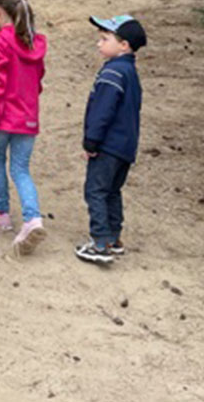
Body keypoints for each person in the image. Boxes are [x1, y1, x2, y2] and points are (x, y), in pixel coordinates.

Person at [0, 0, 48, 256]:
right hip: (27, 117)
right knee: (21, 169)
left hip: (3, 118)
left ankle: (2, 212)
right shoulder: (35, 42)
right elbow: (37, 79)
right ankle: (33, 217)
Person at [76, 15, 147, 264]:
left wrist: (91, 142)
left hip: (108, 145)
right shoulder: (129, 71)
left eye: (105, 39)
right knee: (112, 190)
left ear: (124, 45)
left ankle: (100, 242)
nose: (99, 44)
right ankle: (114, 237)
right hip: (126, 146)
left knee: (95, 190)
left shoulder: (113, 73)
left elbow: (102, 111)